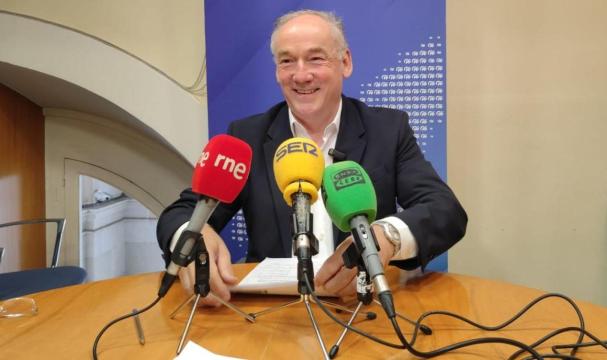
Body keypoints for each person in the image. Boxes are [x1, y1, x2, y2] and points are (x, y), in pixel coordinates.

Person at [157, 9, 467, 306]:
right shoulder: (246, 137)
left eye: (315, 59)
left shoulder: (387, 129)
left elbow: (445, 211)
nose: (301, 75)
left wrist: (385, 237)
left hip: (361, 305)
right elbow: (180, 212)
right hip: (272, 318)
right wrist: (192, 235)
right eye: (287, 61)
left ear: (345, 62)